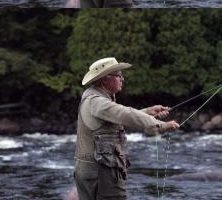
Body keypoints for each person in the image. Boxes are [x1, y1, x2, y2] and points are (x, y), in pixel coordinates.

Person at [74, 57, 180, 200]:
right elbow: (125, 114)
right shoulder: (98, 102)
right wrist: (161, 125)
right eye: (119, 75)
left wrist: (149, 111)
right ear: (105, 80)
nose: (122, 79)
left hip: (90, 169)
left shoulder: (93, 99)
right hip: (102, 171)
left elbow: (116, 121)